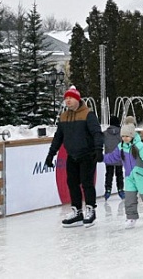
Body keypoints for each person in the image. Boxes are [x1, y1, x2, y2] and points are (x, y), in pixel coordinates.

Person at [44, 86, 103, 228]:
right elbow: (58, 137)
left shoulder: (88, 114)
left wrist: (98, 149)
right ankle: (77, 212)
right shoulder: (64, 117)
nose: (68, 101)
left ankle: (90, 209)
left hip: (87, 155)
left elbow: (97, 133)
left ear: (77, 99)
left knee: (87, 183)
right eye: (66, 98)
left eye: (70, 98)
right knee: (72, 183)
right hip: (72, 156)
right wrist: (50, 155)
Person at [103, 117, 143, 229]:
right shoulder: (121, 147)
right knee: (129, 199)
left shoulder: (140, 146)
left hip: (142, 176)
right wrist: (101, 158)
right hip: (130, 177)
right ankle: (131, 218)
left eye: (127, 136)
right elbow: (112, 157)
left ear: (132, 135)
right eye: (123, 136)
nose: (125, 138)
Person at [103, 115, 125, 200]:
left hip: (109, 157)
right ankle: (120, 190)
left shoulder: (105, 133)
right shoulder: (121, 133)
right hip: (118, 157)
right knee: (119, 174)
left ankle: (108, 190)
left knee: (109, 174)